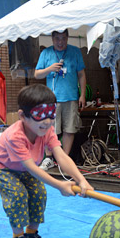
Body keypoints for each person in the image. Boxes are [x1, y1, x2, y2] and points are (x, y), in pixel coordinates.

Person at [0, 84, 93, 238]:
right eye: (40, 115)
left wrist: (81, 180)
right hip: (2, 166)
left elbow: (61, 155)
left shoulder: (46, 130)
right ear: (23, 116)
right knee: (17, 193)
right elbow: (32, 168)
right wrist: (60, 185)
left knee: (39, 192)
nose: (47, 121)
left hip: (24, 166)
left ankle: (31, 235)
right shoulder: (15, 136)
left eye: (51, 114)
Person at [34, 29, 86, 170]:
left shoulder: (75, 52)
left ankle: (64, 159)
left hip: (71, 97)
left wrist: (82, 94)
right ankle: (49, 158)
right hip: (51, 99)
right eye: (57, 38)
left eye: (63, 38)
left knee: (70, 128)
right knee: (50, 129)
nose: (60, 42)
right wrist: (49, 69)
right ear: (52, 39)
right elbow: (37, 74)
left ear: (67, 38)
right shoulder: (46, 53)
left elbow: (81, 74)